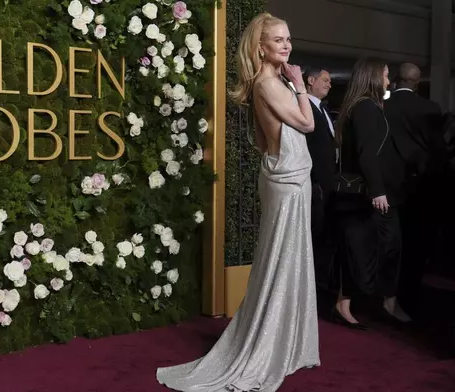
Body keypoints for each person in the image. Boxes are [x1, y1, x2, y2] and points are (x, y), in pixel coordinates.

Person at [156, 12, 320, 392]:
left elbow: (266, 142)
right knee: (282, 258)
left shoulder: (266, 83)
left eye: (288, 39)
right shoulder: (271, 84)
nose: (286, 45)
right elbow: (308, 124)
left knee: (289, 257)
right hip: (288, 181)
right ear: (260, 46)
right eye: (278, 40)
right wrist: (299, 85)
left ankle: (288, 345)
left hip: (286, 177)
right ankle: (269, 346)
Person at [333, 57, 411, 328]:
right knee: (369, 248)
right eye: (386, 75)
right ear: (374, 76)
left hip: (370, 195)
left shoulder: (364, 105)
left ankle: (376, 301)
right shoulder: (365, 107)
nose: (389, 81)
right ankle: (353, 302)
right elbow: (367, 154)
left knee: (373, 247)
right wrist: (378, 191)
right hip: (369, 196)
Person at [384, 63, 444, 317]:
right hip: (422, 188)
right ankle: (411, 299)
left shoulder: (384, 107)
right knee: (416, 247)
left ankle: (386, 296)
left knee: (389, 245)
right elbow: (438, 151)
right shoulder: (430, 109)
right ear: (417, 83)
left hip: (388, 185)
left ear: (396, 80)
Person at [303, 68, 337, 291]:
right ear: (310, 80)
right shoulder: (303, 106)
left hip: (328, 184)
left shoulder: (323, 109)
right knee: (313, 235)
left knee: (324, 235)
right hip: (313, 183)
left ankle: (320, 283)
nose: (330, 85)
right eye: (325, 80)